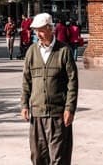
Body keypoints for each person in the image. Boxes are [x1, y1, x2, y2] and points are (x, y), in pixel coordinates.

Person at [20, 12, 78, 165]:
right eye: (35, 31)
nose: (37, 34)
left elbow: (72, 82)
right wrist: (24, 104)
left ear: (50, 29)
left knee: (58, 157)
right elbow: (26, 80)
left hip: (57, 114)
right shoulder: (31, 52)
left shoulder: (64, 51)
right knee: (38, 156)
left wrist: (70, 108)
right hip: (37, 113)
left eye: (40, 30)